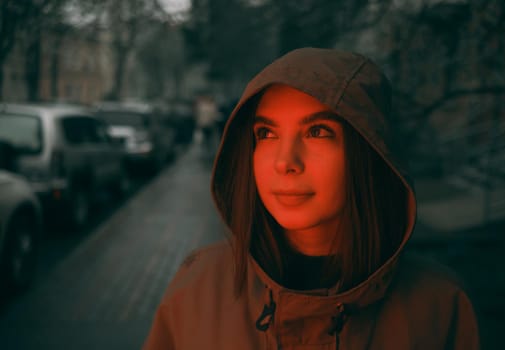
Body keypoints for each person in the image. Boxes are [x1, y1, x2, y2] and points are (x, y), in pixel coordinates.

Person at [143, 48, 479, 349]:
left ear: (370, 151)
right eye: (267, 133)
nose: (285, 161)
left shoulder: (440, 305)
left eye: (317, 132)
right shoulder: (198, 286)